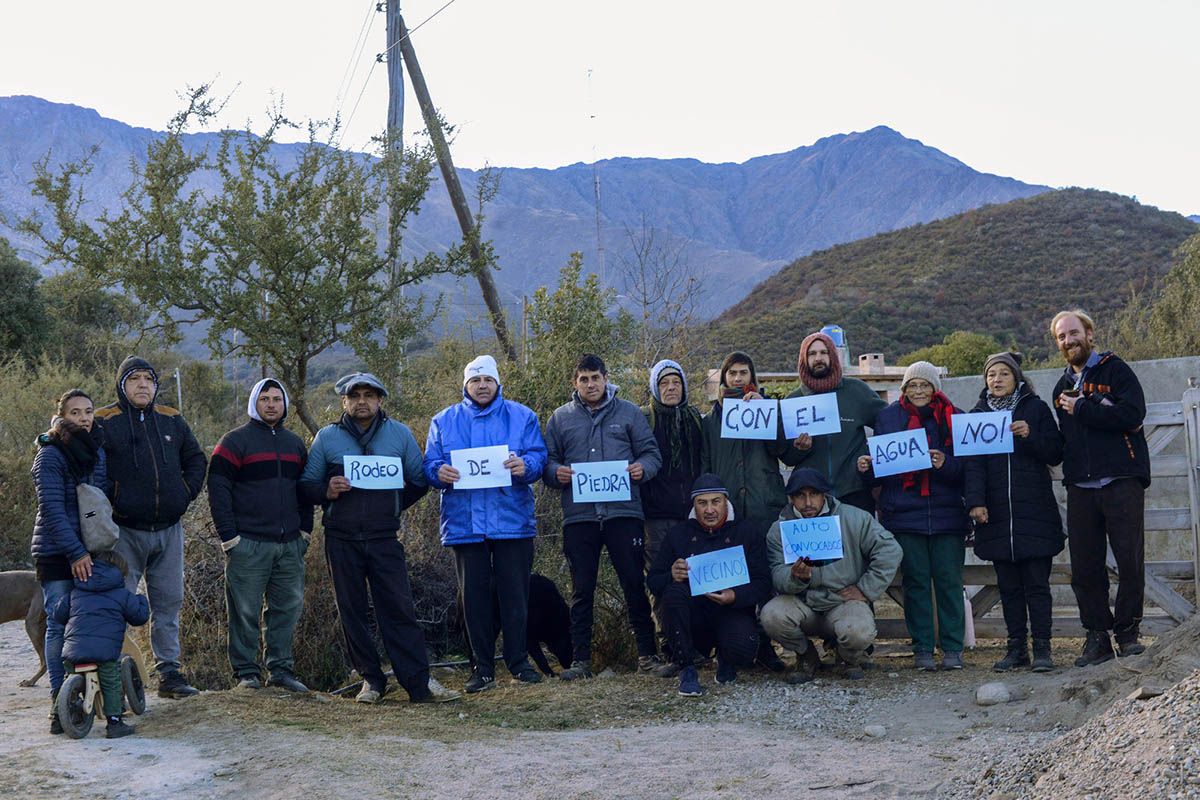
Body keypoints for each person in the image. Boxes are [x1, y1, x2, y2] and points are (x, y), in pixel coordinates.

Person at [300, 372, 458, 704]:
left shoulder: (398, 434)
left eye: (368, 395)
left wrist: (394, 505)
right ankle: (371, 681)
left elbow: (418, 480)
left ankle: (418, 684)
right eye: (354, 396)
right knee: (352, 612)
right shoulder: (327, 438)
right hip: (341, 539)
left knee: (399, 609)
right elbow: (306, 485)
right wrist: (326, 490)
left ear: (379, 400)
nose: (361, 401)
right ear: (344, 401)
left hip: (385, 537)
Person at [423, 355, 548, 692]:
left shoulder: (523, 416)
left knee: (515, 596)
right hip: (465, 524)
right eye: (475, 381)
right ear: (466, 385)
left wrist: (528, 465)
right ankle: (481, 668)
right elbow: (430, 463)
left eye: (487, 380)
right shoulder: (443, 420)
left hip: (513, 520)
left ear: (497, 383)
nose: (481, 386)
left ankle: (518, 662)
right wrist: (438, 472)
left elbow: (539, 456)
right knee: (473, 600)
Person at [542, 354, 663, 680]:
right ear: (575, 382)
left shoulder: (629, 413)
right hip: (579, 518)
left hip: (624, 514)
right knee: (582, 590)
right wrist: (557, 473)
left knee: (634, 585)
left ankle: (647, 657)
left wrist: (642, 469)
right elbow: (547, 462)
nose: (591, 384)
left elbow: (652, 455)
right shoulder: (560, 418)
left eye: (596, 378)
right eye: (584, 379)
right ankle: (580, 662)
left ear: (606, 378)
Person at [95, 356, 207, 699]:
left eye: (149, 379)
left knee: (168, 603)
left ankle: (169, 674)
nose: (143, 385)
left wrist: (184, 495)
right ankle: (114, 674)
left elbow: (196, 459)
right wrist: (111, 501)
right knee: (120, 602)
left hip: (169, 530)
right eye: (135, 379)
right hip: (123, 531)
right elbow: (90, 467)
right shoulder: (103, 420)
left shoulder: (171, 419)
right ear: (121, 384)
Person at [1050, 310, 1151, 665]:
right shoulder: (1059, 388)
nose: (1068, 341)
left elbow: (1133, 415)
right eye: (1061, 337)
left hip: (1121, 480)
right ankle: (1097, 639)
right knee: (1086, 567)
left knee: (1129, 561)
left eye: (1073, 333)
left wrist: (1085, 408)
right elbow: (1063, 440)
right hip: (1080, 486)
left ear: (1089, 334)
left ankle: (1128, 634)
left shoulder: (1116, 370)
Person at [857, 361, 969, 671]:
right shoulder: (888, 418)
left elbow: (968, 471)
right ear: (904, 389)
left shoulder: (955, 417)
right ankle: (921, 648)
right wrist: (867, 468)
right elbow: (881, 474)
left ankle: (952, 649)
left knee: (949, 581)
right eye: (912, 385)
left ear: (935, 388)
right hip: (904, 515)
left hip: (947, 515)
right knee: (916, 583)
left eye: (924, 384)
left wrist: (944, 463)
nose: (918, 390)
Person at [208, 378, 314, 692]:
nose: (271, 404)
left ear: (285, 405)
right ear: (255, 402)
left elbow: (305, 490)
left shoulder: (295, 443)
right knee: (244, 611)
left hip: (289, 544)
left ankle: (280, 671)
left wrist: (305, 532)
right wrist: (230, 537)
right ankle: (246, 675)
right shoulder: (234, 441)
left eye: (276, 399)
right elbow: (217, 488)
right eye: (265, 398)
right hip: (248, 544)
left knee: (286, 609)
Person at [964, 353, 1065, 672]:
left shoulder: (1036, 409)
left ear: (1017, 378)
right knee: (1008, 588)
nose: (996, 379)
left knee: (1037, 585)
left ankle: (1044, 650)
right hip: (996, 516)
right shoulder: (977, 416)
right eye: (991, 374)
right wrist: (975, 502)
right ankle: (1016, 649)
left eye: (1003, 373)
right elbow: (973, 465)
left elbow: (1055, 452)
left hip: (1033, 511)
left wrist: (1029, 435)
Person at [762, 468, 902, 682]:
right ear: (791, 498)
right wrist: (797, 578)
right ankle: (806, 655)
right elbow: (777, 573)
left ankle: (848, 657)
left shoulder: (853, 518)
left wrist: (865, 589)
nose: (808, 502)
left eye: (814, 494)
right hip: (802, 603)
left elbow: (890, 550)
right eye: (800, 495)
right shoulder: (778, 530)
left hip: (843, 600)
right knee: (772, 615)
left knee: (859, 631)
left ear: (824, 495)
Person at [700, 350, 792, 671]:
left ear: (752, 377)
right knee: (736, 578)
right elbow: (707, 468)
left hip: (762, 505)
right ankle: (738, 644)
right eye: (732, 373)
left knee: (764, 577)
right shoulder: (710, 421)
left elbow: (783, 451)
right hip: (729, 512)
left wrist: (767, 413)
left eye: (743, 373)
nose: (737, 379)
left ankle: (767, 646)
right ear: (723, 378)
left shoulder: (767, 411)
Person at [645, 474, 771, 697]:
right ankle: (686, 668)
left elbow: (763, 581)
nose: (709, 510)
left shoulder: (747, 531)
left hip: (732, 611)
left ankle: (726, 658)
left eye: (716, 502)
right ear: (694, 505)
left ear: (726, 501)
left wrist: (736, 596)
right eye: (702, 503)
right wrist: (671, 575)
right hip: (693, 615)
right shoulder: (678, 534)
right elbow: (653, 581)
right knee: (672, 594)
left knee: (743, 649)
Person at [30, 389, 108, 734]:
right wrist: (75, 552)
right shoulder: (50, 454)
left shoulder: (96, 450)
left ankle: (85, 699)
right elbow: (51, 510)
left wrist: (95, 548)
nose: (84, 418)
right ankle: (57, 704)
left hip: (90, 551)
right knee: (59, 624)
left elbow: (99, 502)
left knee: (87, 625)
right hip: (57, 552)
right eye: (76, 412)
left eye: (89, 411)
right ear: (62, 415)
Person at [640, 359, 706, 667]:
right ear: (655, 387)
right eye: (664, 383)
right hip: (656, 516)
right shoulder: (644, 421)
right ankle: (669, 643)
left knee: (695, 576)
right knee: (661, 579)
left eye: (676, 382)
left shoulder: (696, 420)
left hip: (691, 515)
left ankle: (696, 641)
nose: (670, 388)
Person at [50, 550, 149, 739]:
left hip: (73, 650)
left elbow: (58, 615)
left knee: (68, 678)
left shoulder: (76, 592)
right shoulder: (123, 595)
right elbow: (139, 617)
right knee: (111, 682)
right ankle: (114, 722)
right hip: (103, 653)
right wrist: (142, 600)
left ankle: (57, 719)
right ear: (121, 572)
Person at [785, 332, 887, 514]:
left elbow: (888, 422)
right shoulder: (793, 401)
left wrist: (870, 457)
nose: (818, 358)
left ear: (832, 356)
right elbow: (786, 457)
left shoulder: (856, 391)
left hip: (855, 493)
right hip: (812, 500)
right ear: (803, 359)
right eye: (812, 354)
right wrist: (800, 448)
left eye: (823, 353)